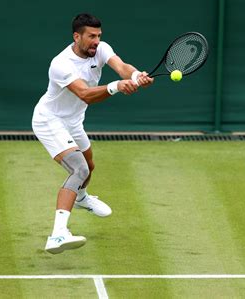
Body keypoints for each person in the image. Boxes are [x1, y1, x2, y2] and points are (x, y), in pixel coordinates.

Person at [32, 13, 154, 254]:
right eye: (91, 36)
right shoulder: (61, 64)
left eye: (99, 36)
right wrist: (116, 86)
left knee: (89, 165)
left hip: (74, 121)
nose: (96, 41)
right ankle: (57, 235)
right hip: (50, 121)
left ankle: (81, 197)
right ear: (76, 37)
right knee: (79, 168)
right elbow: (85, 94)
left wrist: (135, 75)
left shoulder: (101, 49)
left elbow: (121, 67)